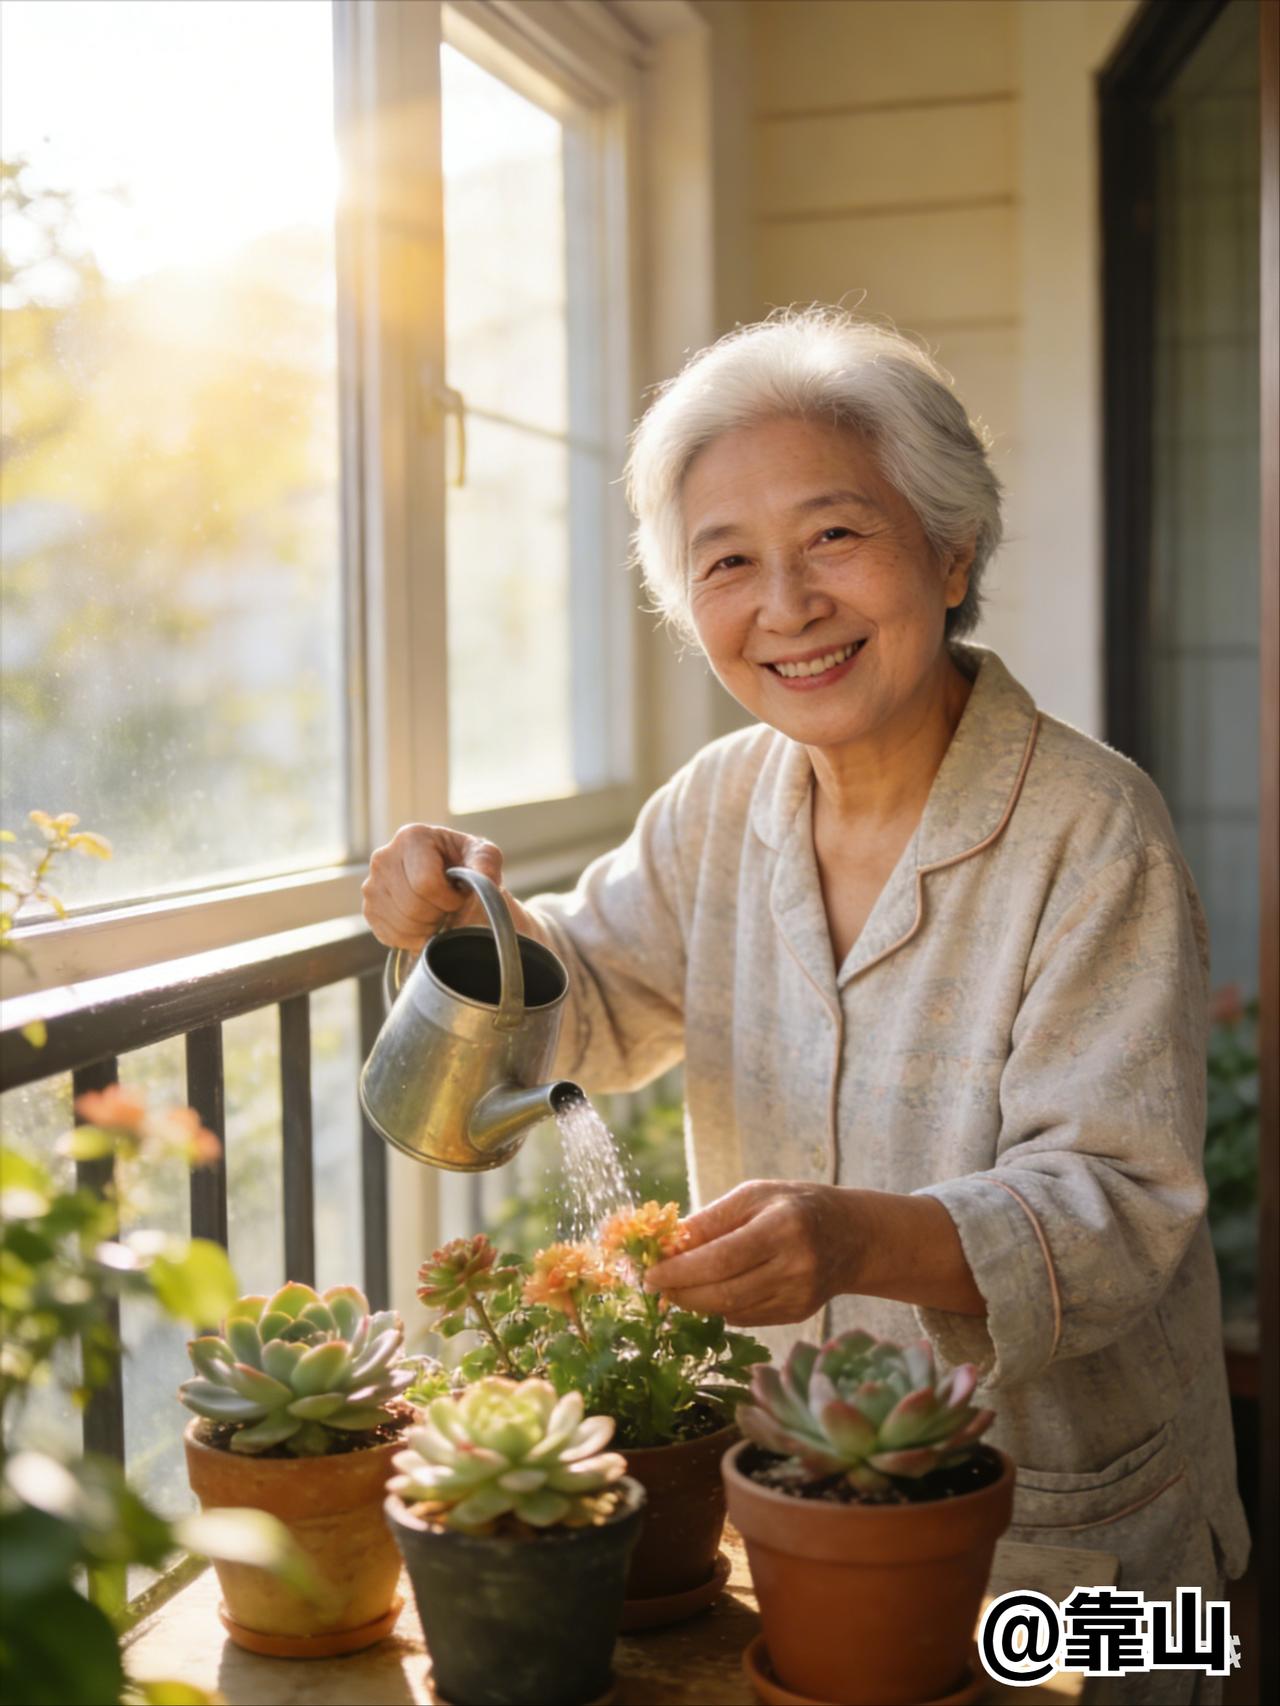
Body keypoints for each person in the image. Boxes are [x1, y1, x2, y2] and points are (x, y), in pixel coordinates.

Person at [362, 310, 1247, 1702]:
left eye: (835, 535)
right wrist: (461, 931)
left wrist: (855, 1237)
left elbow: (1119, 1203)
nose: (785, 604)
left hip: (1074, 1553)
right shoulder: (718, 805)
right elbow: (584, 1005)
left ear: (951, 552)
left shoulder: (1092, 829)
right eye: (727, 560)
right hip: (800, 1511)